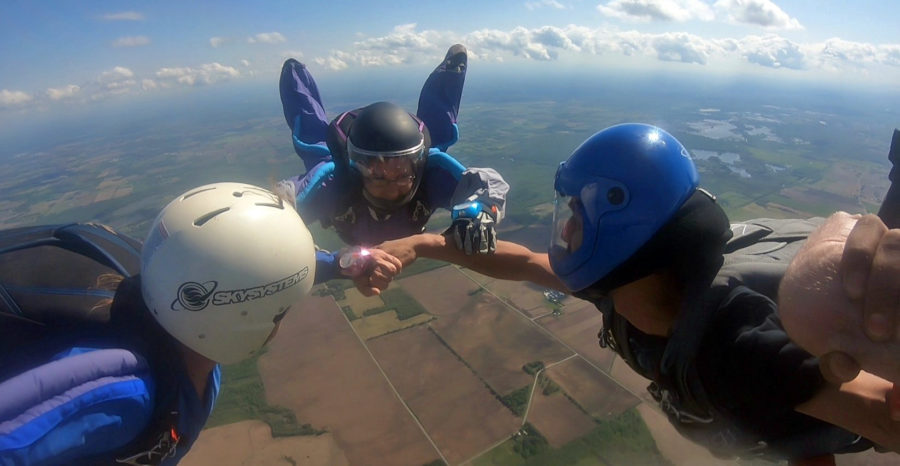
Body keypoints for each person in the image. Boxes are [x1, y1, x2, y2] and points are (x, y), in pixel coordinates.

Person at [376, 124, 900, 463]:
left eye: (575, 217)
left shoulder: (732, 347)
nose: (564, 232)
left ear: (623, 233)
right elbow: (527, 265)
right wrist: (425, 244)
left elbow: (878, 415)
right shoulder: (634, 290)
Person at [0, 182, 398, 465]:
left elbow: (236, 274)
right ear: (245, 321)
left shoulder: (170, 291)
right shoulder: (120, 392)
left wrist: (340, 265)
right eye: (281, 311)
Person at [274, 44, 510, 280]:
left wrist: (480, 213)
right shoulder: (332, 180)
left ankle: (448, 75)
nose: (391, 186)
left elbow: (484, 183)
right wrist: (329, 262)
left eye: (401, 176)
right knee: (315, 148)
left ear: (417, 169)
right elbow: (279, 208)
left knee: (436, 135)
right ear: (356, 171)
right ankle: (296, 80)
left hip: (356, 228)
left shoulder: (430, 173)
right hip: (356, 212)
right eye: (378, 176)